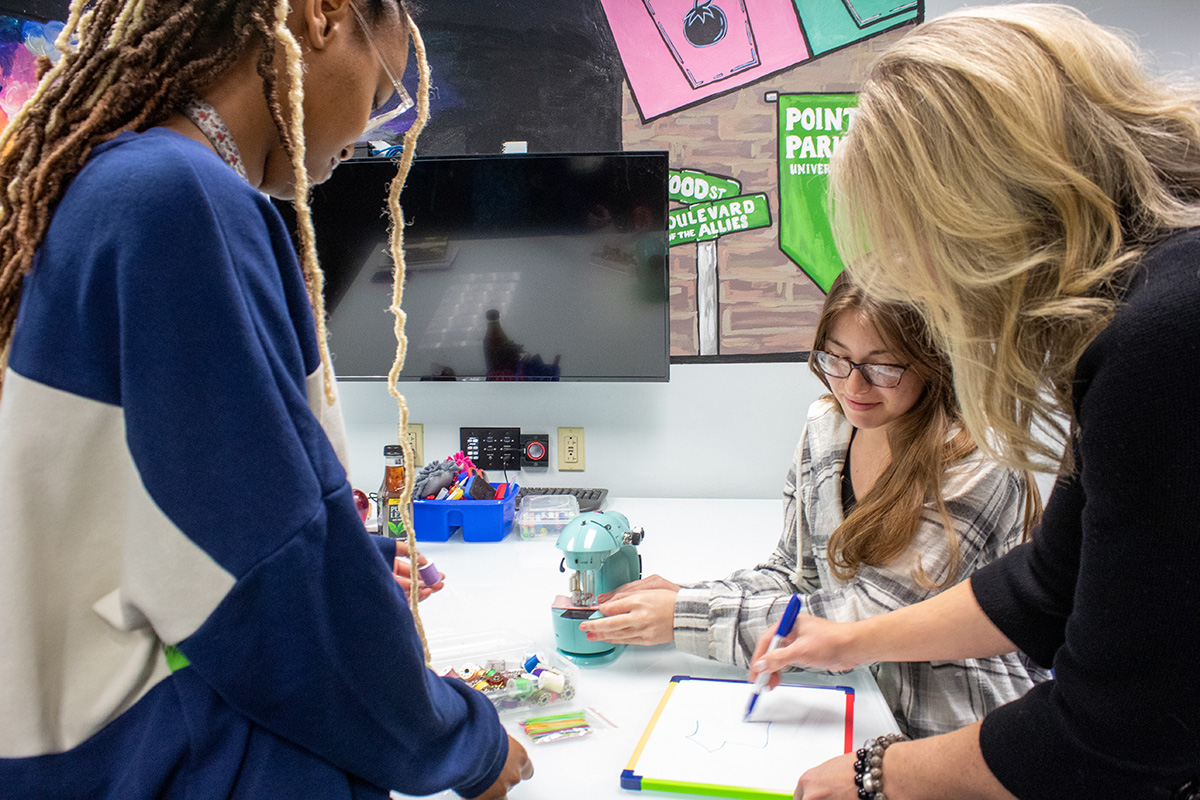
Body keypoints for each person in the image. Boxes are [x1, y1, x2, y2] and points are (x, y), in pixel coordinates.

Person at [0, 0, 532, 798]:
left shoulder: (112, 183)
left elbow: (176, 518)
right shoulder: (178, 199)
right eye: (383, 94)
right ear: (321, 16)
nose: (371, 133)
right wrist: (467, 745)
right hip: (167, 759)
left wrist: (350, 560)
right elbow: (273, 585)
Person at [747, 5, 1200, 799]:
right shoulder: (1146, 304)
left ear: (977, 213)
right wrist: (850, 641)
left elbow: (1116, 734)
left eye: (910, 243)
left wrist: (877, 773)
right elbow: (1050, 581)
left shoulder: (1166, 337)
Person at [581, 271, 1048, 739]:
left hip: (955, 723)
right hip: (854, 696)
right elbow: (795, 573)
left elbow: (865, 620)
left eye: (883, 367)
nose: (854, 387)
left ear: (934, 360)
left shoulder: (976, 463)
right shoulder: (828, 425)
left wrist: (685, 615)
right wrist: (686, 595)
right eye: (836, 359)